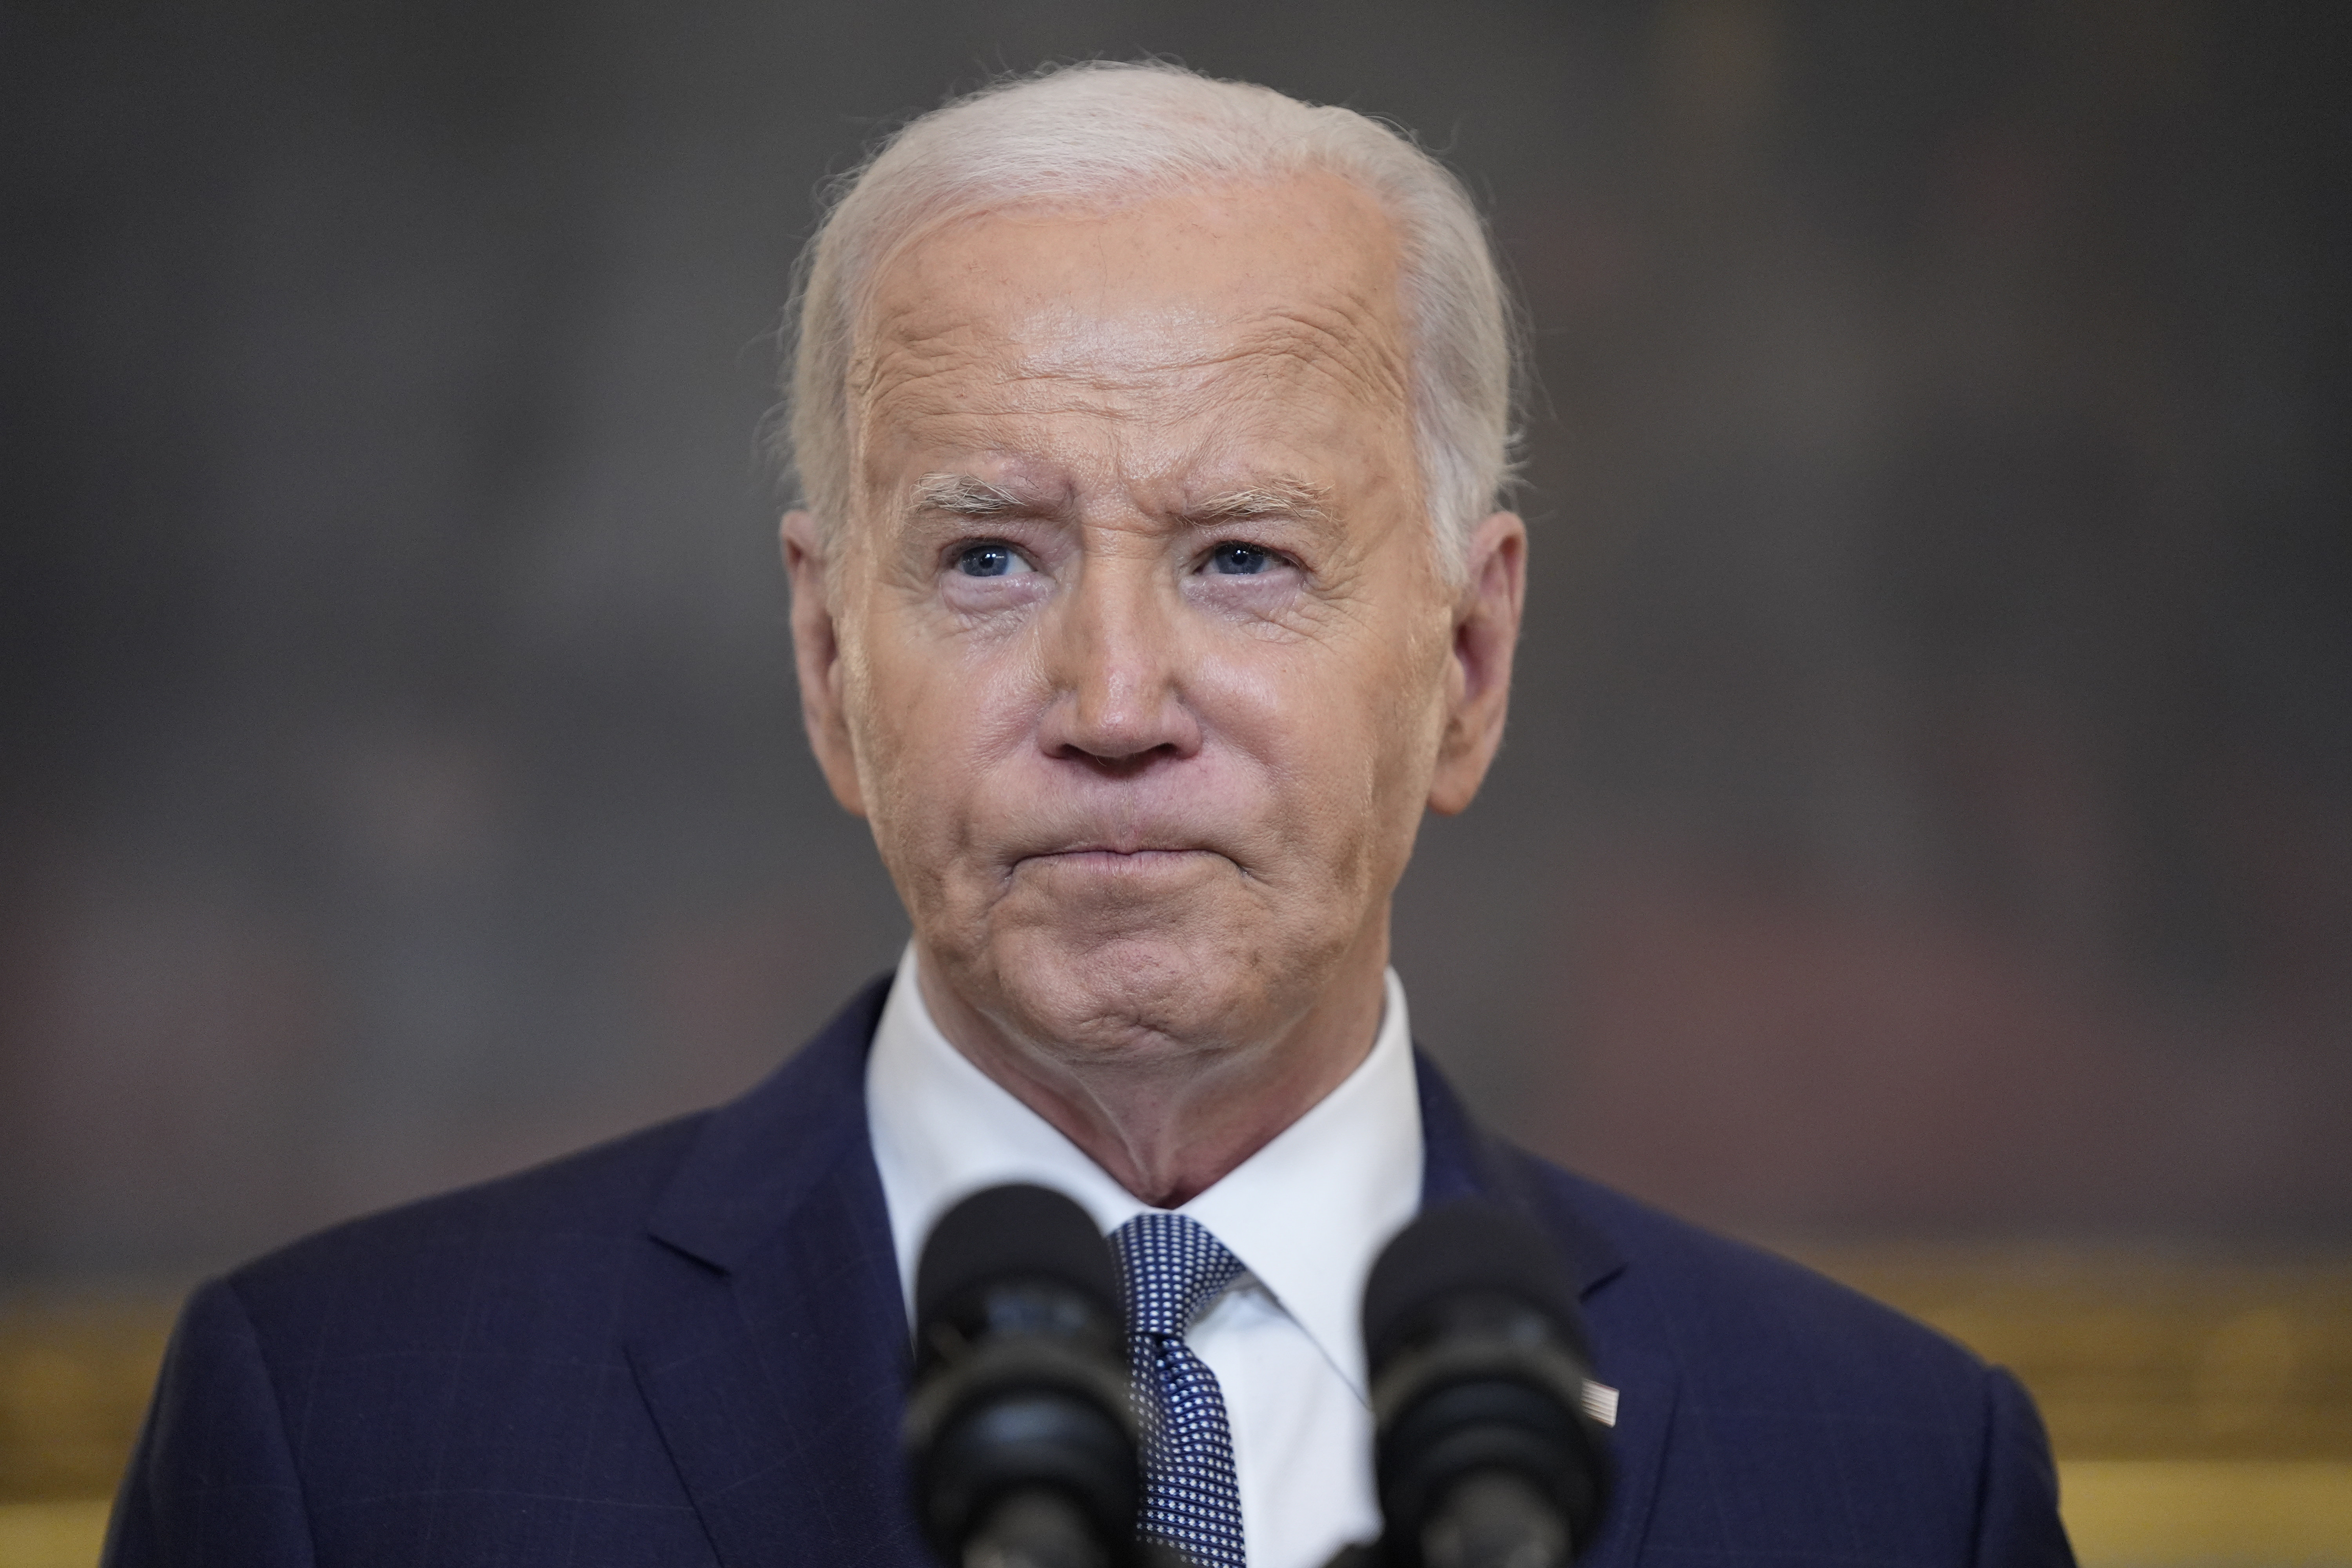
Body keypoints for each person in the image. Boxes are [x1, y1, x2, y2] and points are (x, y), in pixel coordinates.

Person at [106, 62, 2074, 1568]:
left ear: (1466, 663)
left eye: (1238, 555)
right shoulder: (348, 1434)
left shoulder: (1891, 1479)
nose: (1115, 703)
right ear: (825, 663)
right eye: (986, 558)